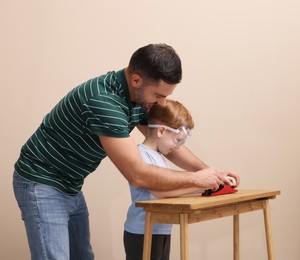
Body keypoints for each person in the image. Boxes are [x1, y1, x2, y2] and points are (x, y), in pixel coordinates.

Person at [12, 43, 240, 260]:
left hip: (70, 185)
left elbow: (166, 145)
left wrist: (210, 172)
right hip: (41, 181)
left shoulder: (137, 98)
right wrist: (197, 179)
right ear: (136, 80)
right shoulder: (104, 101)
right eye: (159, 96)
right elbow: (137, 174)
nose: (162, 103)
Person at [123, 99, 201, 260]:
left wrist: (204, 189)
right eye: (177, 140)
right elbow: (159, 192)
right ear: (160, 131)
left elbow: (172, 192)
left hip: (161, 229)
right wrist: (198, 183)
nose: (179, 147)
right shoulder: (141, 155)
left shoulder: (159, 157)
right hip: (141, 231)